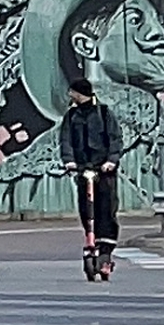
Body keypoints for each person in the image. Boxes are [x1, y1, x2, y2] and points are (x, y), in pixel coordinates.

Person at [59, 68, 123, 281]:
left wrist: (111, 161)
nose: (70, 95)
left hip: (104, 171)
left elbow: (115, 139)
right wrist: (69, 161)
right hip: (83, 169)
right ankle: (90, 241)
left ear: (79, 93)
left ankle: (105, 254)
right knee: (87, 210)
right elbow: (66, 140)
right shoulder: (72, 116)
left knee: (106, 211)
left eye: (72, 92)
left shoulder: (104, 114)